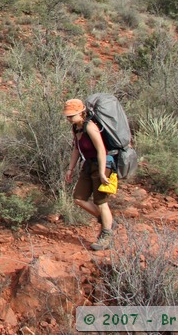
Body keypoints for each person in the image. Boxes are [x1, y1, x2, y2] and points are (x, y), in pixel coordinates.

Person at [63, 99, 116, 251]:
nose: (69, 118)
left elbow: (101, 150)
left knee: (101, 201)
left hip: (102, 165)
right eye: (67, 116)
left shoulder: (90, 127)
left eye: (72, 115)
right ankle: (107, 221)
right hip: (88, 165)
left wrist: (102, 172)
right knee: (78, 198)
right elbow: (76, 149)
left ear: (81, 113)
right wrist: (70, 169)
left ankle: (106, 235)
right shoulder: (76, 128)